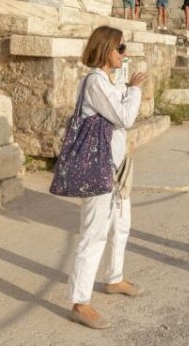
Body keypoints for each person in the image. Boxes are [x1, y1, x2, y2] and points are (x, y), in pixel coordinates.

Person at [67, 26, 148, 330]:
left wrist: (128, 90)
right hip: (98, 167)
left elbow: (119, 114)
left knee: (121, 226)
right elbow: (125, 117)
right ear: (106, 50)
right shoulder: (95, 83)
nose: (123, 53)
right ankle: (80, 301)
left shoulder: (109, 82)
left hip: (117, 166)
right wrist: (136, 90)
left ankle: (114, 278)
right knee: (94, 233)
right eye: (120, 48)